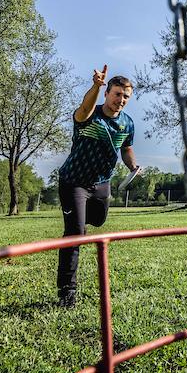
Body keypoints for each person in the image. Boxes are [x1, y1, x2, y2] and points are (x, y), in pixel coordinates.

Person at [55, 65, 137, 307]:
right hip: (74, 182)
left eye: (125, 96)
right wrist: (95, 85)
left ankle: (81, 222)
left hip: (101, 183)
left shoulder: (127, 123)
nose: (121, 100)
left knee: (98, 220)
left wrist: (133, 166)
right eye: (116, 94)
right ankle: (67, 292)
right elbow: (82, 109)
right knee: (75, 235)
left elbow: (126, 148)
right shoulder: (89, 115)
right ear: (106, 93)